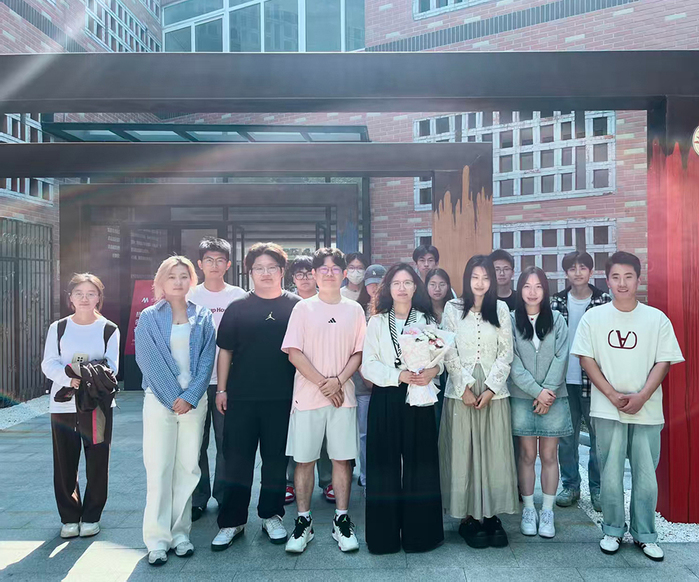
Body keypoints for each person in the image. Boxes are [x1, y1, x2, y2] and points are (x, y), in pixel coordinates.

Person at [571, 252, 683, 562]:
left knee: (646, 475)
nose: (622, 283)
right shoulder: (594, 317)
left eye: (628, 277)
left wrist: (643, 395)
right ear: (607, 281)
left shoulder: (656, 318)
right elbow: (585, 358)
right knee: (610, 472)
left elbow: (664, 360)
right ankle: (612, 530)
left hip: (647, 408)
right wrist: (610, 394)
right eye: (616, 277)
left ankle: (645, 534)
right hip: (607, 408)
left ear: (638, 279)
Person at [211, 243, 300, 550]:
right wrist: (221, 389)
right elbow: (225, 351)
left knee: (275, 461)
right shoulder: (238, 307)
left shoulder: (296, 306)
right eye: (259, 268)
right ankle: (232, 521)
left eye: (272, 267)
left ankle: (271, 515)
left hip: (282, 398)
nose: (265, 273)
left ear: (282, 271)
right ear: (249, 272)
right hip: (242, 397)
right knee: (236, 460)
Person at [282, 248, 366, 554]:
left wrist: (338, 382)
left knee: (342, 459)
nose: (329, 273)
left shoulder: (354, 310)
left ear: (343, 274)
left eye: (335, 268)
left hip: (343, 398)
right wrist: (324, 384)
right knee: (304, 460)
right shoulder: (303, 308)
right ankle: (303, 522)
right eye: (323, 269)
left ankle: (341, 520)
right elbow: (294, 352)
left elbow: (359, 352)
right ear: (315, 275)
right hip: (308, 397)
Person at [135, 256, 216, 566]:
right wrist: (173, 398)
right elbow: (147, 359)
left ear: (191, 280)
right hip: (159, 401)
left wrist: (191, 396)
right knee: (159, 467)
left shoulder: (203, 315)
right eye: (172, 276)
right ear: (161, 282)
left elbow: (207, 359)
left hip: (194, 402)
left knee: (188, 467)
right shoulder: (149, 317)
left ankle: (180, 533)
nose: (178, 282)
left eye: (184, 276)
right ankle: (157, 539)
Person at [361, 263, 444, 554]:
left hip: (419, 393)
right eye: (396, 283)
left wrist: (433, 371)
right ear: (388, 287)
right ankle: (383, 538)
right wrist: (398, 375)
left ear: (415, 286)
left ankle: (421, 536)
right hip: (387, 394)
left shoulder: (426, 319)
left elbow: (440, 357)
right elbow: (368, 364)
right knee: (383, 464)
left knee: (421, 462)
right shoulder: (376, 321)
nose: (402, 288)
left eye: (408, 282)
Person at [440, 255, 517, 549]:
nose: (480, 283)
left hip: (493, 392)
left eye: (486, 277)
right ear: (467, 278)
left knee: (493, 451)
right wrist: (464, 388)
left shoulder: (500, 308)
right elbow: (448, 351)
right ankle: (468, 517)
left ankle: (492, 514)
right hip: (461, 390)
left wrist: (491, 389)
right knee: (464, 452)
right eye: (475, 277)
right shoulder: (452, 308)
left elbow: (506, 353)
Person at [41, 273, 120, 540]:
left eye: (91, 294)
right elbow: (49, 363)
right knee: (64, 461)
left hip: (96, 404)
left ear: (99, 297)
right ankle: (69, 517)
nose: (85, 299)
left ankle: (91, 516)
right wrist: (70, 379)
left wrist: (86, 377)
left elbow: (112, 367)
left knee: (97, 460)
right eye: (79, 294)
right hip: (62, 403)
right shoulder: (58, 327)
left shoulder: (109, 329)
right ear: (70, 298)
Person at [509, 266, 571, 539]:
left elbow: (562, 356)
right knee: (526, 455)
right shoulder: (510, 319)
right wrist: (537, 392)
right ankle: (528, 509)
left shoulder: (557, 319)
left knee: (548, 455)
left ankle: (547, 511)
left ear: (545, 290)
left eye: (538, 286)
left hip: (553, 397)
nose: (532, 292)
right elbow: (512, 361)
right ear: (519, 289)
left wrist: (548, 392)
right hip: (522, 397)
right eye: (527, 286)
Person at [189, 237, 245, 522]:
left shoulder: (238, 296)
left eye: (220, 260)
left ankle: (224, 497)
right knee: (195, 444)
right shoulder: (189, 296)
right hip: (195, 382)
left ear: (228, 264)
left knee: (227, 443)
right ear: (199, 264)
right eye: (209, 260)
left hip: (229, 382)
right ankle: (197, 498)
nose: (214, 265)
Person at [551, 251, 611, 512]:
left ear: (591, 271)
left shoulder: (603, 300)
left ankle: (597, 488)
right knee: (566, 437)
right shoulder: (556, 302)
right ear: (566, 273)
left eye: (583, 268)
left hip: (593, 380)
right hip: (564, 379)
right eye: (572, 268)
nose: (578, 273)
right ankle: (571, 485)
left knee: (597, 437)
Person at [285, 256, 333, 505]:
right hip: (292, 376)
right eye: (298, 274)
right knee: (296, 432)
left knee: (325, 432)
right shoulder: (288, 304)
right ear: (292, 278)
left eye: (307, 273)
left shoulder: (327, 302)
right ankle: (290, 481)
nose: (304, 278)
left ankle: (328, 480)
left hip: (326, 377)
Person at [356, 263, 385, 489]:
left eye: (379, 283)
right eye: (370, 284)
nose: (374, 288)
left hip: (389, 382)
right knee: (365, 434)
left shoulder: (391, 310)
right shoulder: (356, 310)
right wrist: (366, 377)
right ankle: (366, 478)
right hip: (363, 385)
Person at [425, 267, 456, 428]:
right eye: (433, 284)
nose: (437, 289)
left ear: (448, 286)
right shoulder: (421, 313)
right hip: (431, 373)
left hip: (453, 370)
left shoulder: (455, 311)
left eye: (442, 284)